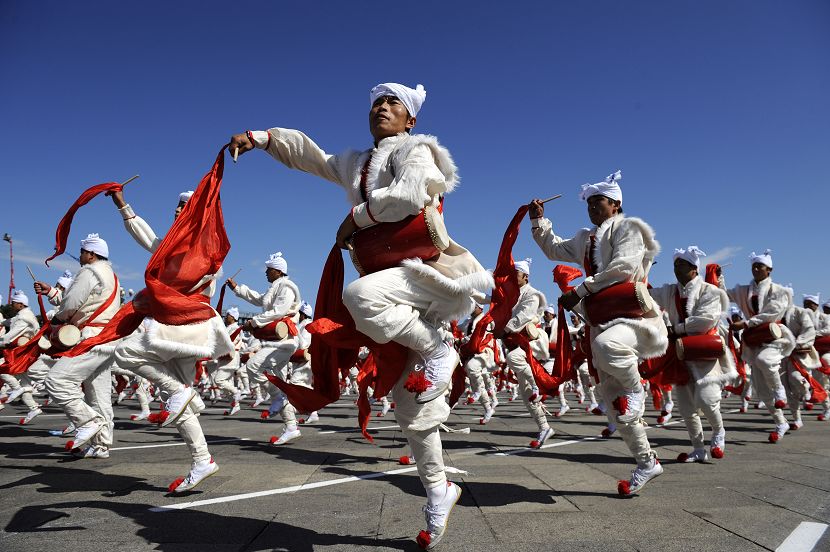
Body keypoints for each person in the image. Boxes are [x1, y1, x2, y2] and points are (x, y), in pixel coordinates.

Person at [228, 82, 494, 549]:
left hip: (424, 276)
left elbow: (411, 196)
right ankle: (439, 490)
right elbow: (311, 156)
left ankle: (439, 346)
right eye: (376, 103)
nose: (382, 109)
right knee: (413, 415)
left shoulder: (418, 150)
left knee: (360, 296)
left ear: (410, 119)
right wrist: (264, 137)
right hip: (396, 291)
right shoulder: (355, 163)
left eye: (393, 103)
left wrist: (359, 219)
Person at [530, 171, 668, 495]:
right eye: (589, 203)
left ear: (616, 204)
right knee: (614, 403)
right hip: (599, 323)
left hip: (634, 319)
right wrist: (539, 223)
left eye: (599, 202)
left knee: (610, 351)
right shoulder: (584, 238)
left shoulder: (628, 230)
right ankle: (647, 461)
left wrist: (581, 289)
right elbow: (554, 249)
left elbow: (622, 268)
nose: (593, 208)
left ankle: (638, 389)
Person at [110, 188, 234, 491]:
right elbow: (151, 242)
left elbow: (165, 256)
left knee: (125, 354)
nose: (178, 210)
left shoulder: (203, 244)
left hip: (188, 325)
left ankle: (181, 392)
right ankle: (202, 460)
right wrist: (124, 207)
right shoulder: (179, 244)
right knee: (179, 403)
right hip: (181, 326)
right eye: (178, 206)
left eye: (186, 207)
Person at [648, 246, 733, 462]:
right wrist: (641, 270)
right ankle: (698, 448)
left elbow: (705, 320)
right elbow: (648, 296)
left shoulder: (710, 291)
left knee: (706, 399)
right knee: (686, 407)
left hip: (704, 353)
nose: (676, 268)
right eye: (675, 264)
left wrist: (675, 329)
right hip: (681, 353)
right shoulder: (669, 291)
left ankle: (719, 431)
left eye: (681, 264)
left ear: (694, 269)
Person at [43, 235, 121, 458]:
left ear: (91, 254)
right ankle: (102, 444)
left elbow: (72, 302)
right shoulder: (112, 276)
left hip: (91, 337)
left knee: (56, 380)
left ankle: (88, 421)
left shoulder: (90, 271)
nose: (80, 256)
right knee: (98, 394)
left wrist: (58, 320)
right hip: (108, 339)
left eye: (82, 252)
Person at [719, 250, 793, 442]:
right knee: (760, 388)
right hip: (753, 341)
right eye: (754, 266)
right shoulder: (744, 290)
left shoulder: (778, 291)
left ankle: (780, 390)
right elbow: (725, 295)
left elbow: (772, 312)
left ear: (769, 269)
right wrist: (718, 278)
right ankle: (780, 422)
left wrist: (745, 323)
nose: (756, 269)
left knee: (765, 360)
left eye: (760, 266)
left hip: (774, 337)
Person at [226, 252, 301, 420]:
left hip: (285, 339)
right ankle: (291, 426)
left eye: (269, 270)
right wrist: (238, 289)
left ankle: (277, 398)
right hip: (275, 341)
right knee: (280, 382)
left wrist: (253, 322)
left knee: (252, 366)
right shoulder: (275, 287)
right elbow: (260, 299)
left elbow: (279, 311)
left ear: (279, 271)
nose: (266, 272)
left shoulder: (287, 287)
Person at [502, 259, 554, 447]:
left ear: (526, 276)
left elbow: (524, 316)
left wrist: (506, 328)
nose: (512, 277)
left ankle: (536, 385)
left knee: (512, 358)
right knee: (526, 397)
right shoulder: (511, 294)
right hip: (517, 341)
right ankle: (545, 428)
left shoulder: (533, 294)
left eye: (516, 274)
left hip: (532, 340)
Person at [0, 290, 42, 420]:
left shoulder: (23, 318)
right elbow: (9, 322)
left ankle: (16, 388)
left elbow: (9, 337)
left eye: (13, 303)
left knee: (2, 369)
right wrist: (2, 323)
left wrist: (2, 341)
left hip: (23, 354)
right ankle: (34, 408)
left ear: (20, 304)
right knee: (24, 383)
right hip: (24, 353)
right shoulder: (23, 315)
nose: (11, 305)